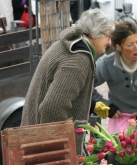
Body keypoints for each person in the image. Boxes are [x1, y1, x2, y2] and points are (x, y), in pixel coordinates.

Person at [21, 8, 115, 155]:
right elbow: (52, 108)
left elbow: (63, 93)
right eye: (108, 36)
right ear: (94, 34)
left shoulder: (71, 47)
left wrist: (91, 104)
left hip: (35, 135)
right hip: (46, 146)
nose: (109, 42)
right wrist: (61, 151)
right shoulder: (78, 59)